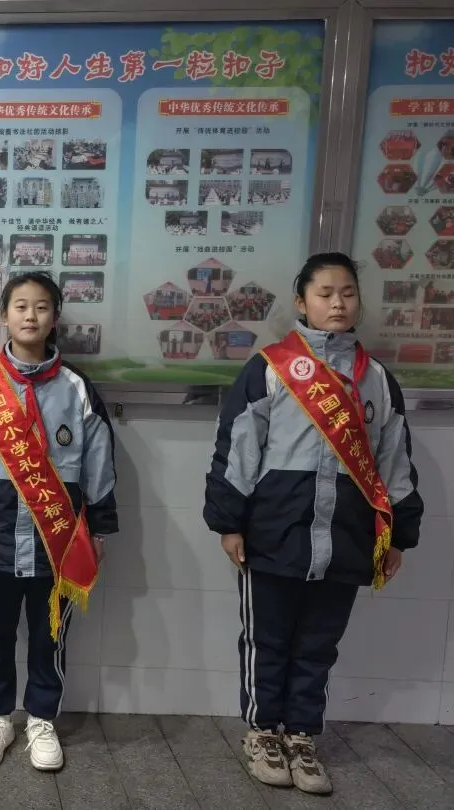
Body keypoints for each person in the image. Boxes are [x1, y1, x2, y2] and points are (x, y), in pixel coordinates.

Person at [205, 253, 423, 795]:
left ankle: (301, 736)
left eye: (347, 293)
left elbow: (395, 461)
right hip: (275, 532)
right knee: (267, 640)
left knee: (319, 644)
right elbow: (237, 449)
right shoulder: (270, 367)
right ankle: (262, 733)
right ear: (301, 302)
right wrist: (230, 522)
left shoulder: (376, 379)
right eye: (325, 294)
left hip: (347, 537)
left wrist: (398, 535)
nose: (337, 303)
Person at [0, 271, 118, 772]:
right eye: (20, 306)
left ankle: (41, 718)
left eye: (41, 307)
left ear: (55, 318)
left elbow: (100, 463)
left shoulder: (77, 388)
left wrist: (99, 527)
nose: (30, 316)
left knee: (50, 633)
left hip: (57, 540)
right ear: (4, 316)